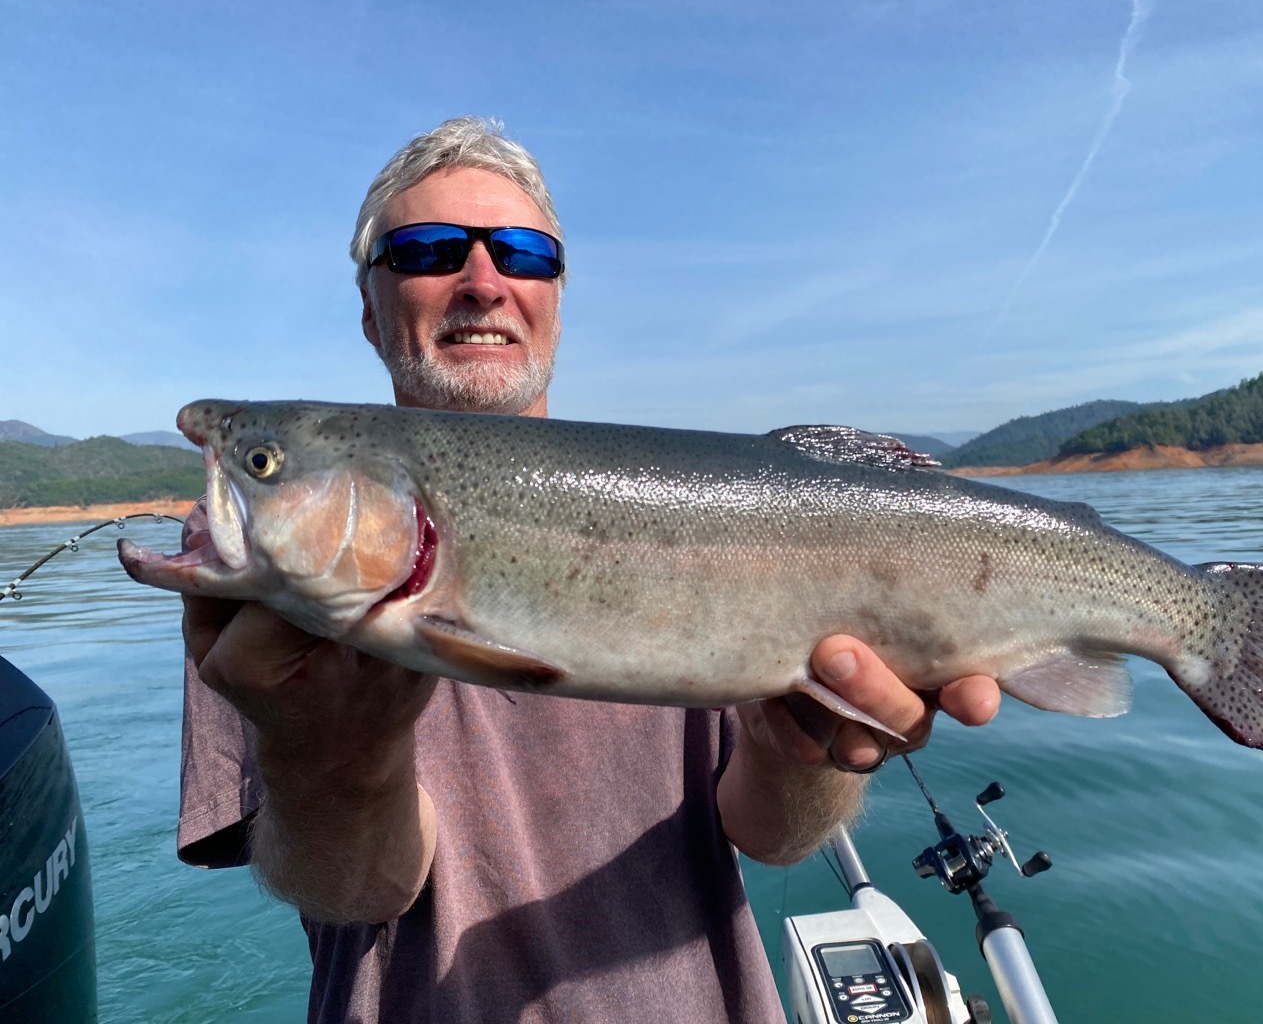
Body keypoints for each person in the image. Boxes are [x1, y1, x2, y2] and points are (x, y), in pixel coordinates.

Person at [177, 116, 1002, 1023]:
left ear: (556, 299)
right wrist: (329, 756)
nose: (483, 282)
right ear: (370, 309)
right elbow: (349, 893)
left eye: (524, 254)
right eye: (429, 249)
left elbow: (770, 837)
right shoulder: (265, 593)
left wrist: (800, 751)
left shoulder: (686, 504)